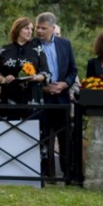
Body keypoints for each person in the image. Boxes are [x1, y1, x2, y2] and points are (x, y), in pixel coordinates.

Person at [35, 12, 78, 175]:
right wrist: (43, 87)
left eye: (43, 28)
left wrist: (64, 84)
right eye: (37, 27)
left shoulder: (64, 44)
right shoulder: (32, 45)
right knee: (42, 137)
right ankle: (43, 173)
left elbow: (73, 69)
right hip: (41, 98)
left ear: (53, 28)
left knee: (66, 138)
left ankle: (69, 174)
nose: (39, 31)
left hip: (62, 99)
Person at [0, 17, 50, 111]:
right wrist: (4, 79)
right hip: (9, 98)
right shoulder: (4, 50)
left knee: (31, 124)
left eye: (31, 29)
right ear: (18, 29)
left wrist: (34, 77)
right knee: (11, 125)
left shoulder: (38, 50)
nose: (30, 32)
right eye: (27, 28)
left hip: (32, 98)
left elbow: (46, 73)